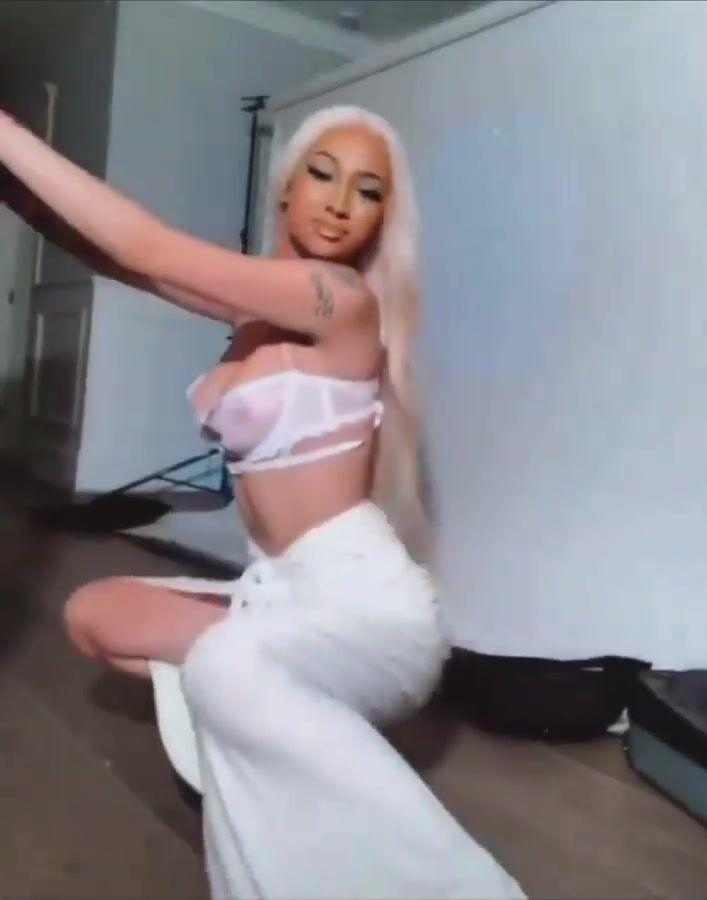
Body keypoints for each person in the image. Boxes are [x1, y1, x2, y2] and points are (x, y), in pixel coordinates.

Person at [0, 104, 525, 899]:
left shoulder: (339, 299)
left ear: (382, 219)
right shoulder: (261, 310)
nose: (339, 202)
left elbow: (147, 246)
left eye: (367, 190)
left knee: (226, 662)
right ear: (286, 188)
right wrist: (21, 196)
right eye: (323, 174)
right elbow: (123, 261)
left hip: (367, 608)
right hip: (277, 592)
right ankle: (278, 732)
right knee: (95, 615)